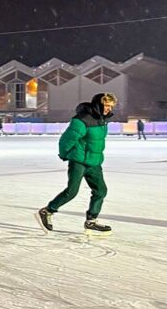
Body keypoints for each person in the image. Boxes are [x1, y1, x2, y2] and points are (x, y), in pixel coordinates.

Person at [37, 92, 117, 235]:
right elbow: (66, 140)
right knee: (71, 192)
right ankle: (47, 211)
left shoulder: (102, 120)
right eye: (106, 106)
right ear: (98, 104)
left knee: (101, 191)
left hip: (94, 162)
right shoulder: (81, 120)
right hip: (79, 161)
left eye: (111, 106)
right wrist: (65, 154)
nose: (109, 109)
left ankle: (91, 221)